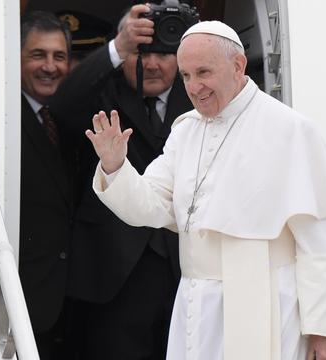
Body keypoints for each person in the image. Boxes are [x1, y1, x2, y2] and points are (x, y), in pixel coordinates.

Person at [85, 21, 326, 360]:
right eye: (185, 76)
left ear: (238, 66)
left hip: (268, 301)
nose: (194, 87)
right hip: (196, 302)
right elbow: (150, 207)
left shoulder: (290, 129)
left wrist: (321, 331)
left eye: (203, 72)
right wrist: (115, 166)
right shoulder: (185, 131)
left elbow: (320, 243)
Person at [48, 4, 193, 359]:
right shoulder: (103, 93)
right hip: (112, 274)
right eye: (142, 54)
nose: (154, 64)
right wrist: (118, 46)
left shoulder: (196, 99)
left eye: (165, 53)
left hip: (184, 270)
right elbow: (61, 107)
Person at [18, 11, 78, 360]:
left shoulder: (67, 117)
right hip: (26, 296)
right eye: (37, 55)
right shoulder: (5, 117)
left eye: (59, 57)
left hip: (69, 299)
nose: (49, 66)